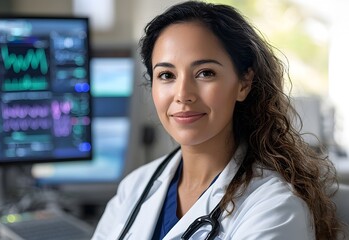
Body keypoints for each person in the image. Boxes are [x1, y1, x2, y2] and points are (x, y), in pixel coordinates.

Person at [92, 1, 342, 239]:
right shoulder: (136, 187)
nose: (183, 95)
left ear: (244, 83)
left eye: (205, 73)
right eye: (167, 75)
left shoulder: (275, 206)